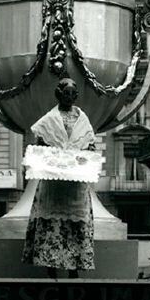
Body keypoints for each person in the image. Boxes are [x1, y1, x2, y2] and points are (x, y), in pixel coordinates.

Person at [22, 78, 96, 278]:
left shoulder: (83, 119)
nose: (69, 97)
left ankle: (74, 269)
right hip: (53, 183)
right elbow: (38, 146)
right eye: (66, 93)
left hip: (76, 185)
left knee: (76, 225)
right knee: (51, 224)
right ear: (59, 94)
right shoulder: (48, 119)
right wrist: (47, 157)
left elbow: (91, 145)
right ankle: (50, 268)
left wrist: (85, 157)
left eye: (73, 93)